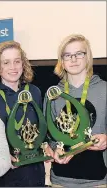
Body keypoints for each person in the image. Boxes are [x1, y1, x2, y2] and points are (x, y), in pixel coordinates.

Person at [0, 41, 53, 187]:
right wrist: (0, 156)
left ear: (23, 63)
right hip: (6, 173)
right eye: (6, 62)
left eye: (17, 61)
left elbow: (41, 127)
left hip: (34, 170)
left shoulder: (34, 91)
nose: (13, 67)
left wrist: (45, 144)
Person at [44, 34, 106, 187]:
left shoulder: (104, 89)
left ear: (88, 57)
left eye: (79, 53)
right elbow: (47, 134)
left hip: (97, 180)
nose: (73, 59)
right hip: (61, 179)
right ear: (62, 61)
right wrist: (51, 150)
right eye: (68, 55)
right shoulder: (53, 94)